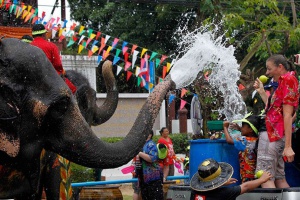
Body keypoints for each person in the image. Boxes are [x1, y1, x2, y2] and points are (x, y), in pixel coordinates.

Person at [253, 54, 299, 188]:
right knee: (279, 178)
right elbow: (274, 109)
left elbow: (287, 114)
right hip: (277, 135)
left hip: (272, 135)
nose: (267, 73)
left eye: (269, 69)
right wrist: (262, 91)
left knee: (265, 177)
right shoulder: (284, 81)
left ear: (280, 67)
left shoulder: (288, 80)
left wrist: (288, 146)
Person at [190, 158, 272, 200]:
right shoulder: (223, 193)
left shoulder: (195, 192)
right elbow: (245, 187)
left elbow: (208, 188)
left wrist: (221, 182)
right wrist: (262, 179)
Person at [31, 24, 77, 94]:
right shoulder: (52, 46)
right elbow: (58, 65)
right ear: (43, 35)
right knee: (73, 89)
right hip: (50, 77)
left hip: (32, 78)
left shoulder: (28, 46)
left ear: (33, 35)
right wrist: (61, 71)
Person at [223, 114, 260, 183]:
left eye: (243, 126)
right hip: (255, 173)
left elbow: (229, 140)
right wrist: (240, 129)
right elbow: (248, 133)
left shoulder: (244, 140)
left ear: (250, 130)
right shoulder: (256, 139)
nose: (241, 128)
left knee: (247, 191)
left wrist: (225, 127)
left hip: (246, 174)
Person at [137, 130, 163, 200]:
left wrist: (139, 153)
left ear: (150, 135)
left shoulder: (151, 144)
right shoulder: (142, 144)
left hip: (153, 178)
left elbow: (152, 158)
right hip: (143, 177)